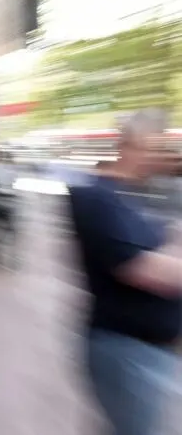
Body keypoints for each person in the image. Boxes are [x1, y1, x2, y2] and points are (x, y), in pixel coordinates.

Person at [69, 111, 182, 435]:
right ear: (128, 146)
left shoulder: (145, 198)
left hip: (150, 352)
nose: (157, 158)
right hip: (124, 352)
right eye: (151, 148)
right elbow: (143, 270)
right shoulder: (97, 198)